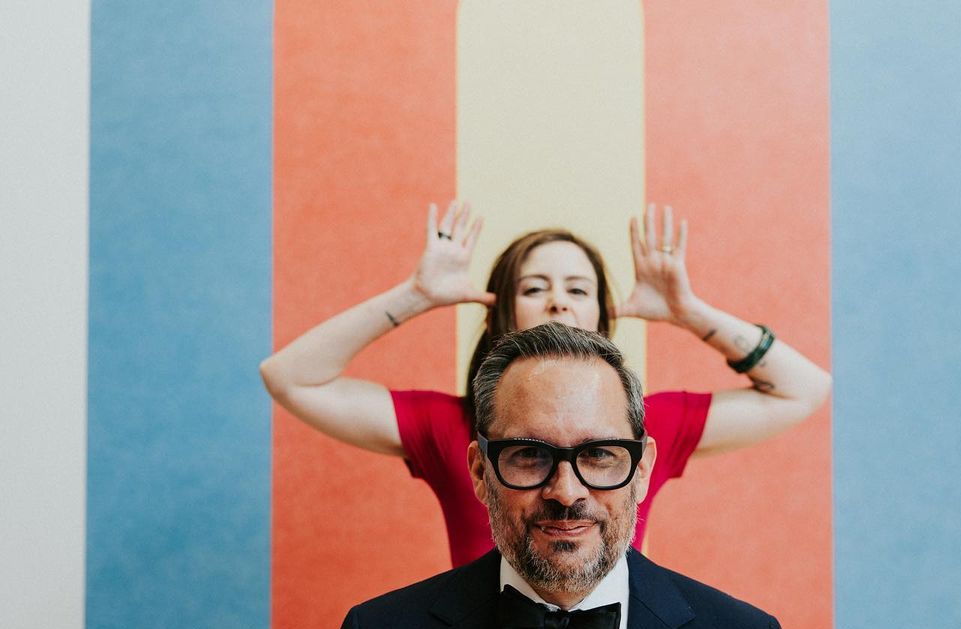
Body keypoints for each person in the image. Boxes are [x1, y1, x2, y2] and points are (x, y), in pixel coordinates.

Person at [260, 201, 831, 567]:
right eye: (535, 287)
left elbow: (803, 388)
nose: (558, 298)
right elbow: (291, 379)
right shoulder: (449, 427)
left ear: (603, 317)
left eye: (578, 289)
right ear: (501, 312)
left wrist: (690, 310)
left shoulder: (653, 423)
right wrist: (415, 296)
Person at [310, 323, 801, 629]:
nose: (566, 492)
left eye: (600, 454)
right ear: (480, 472)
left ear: (643, 470)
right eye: (529, 454)